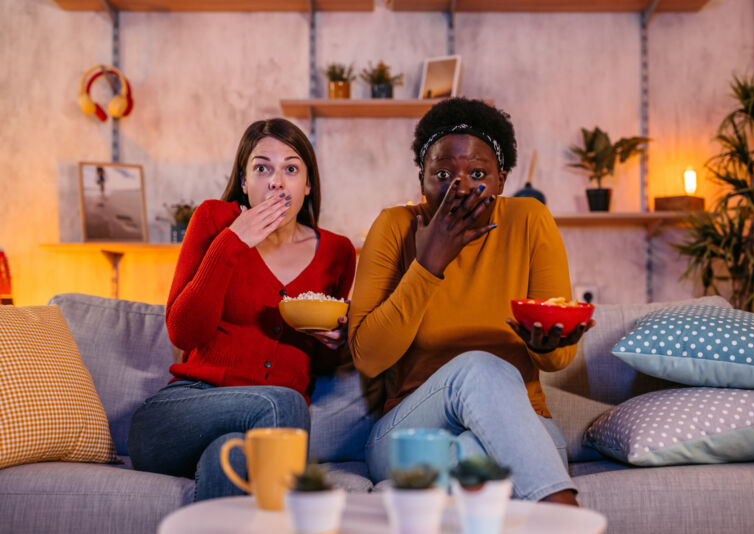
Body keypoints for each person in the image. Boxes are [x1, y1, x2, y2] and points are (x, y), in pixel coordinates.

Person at [348, 98, 593, 506]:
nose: (459, 187)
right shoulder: (395, 227)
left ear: (501, 180)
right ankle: (565, 515)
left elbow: (558, 359)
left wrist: (545, 346)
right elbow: (369, 358)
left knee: (476, 454)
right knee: (477, 368)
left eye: (478, 173)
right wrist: (429, 264)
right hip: (409, 433)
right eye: (442, 173)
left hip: (522, 431)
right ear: (422, 179)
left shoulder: (529, 221)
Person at [128, 118, 356, 501]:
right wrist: (233, 241)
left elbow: (317, 361)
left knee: (228, 456)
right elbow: (184, 334)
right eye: (262, 167)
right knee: (283, 400)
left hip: (256, 428)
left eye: (291, 168)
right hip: (182, 411)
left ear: (308, 184)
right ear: (245, 181)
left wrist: (336, 343)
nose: (276, 182)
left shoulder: (337, 252)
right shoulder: (215, 221)